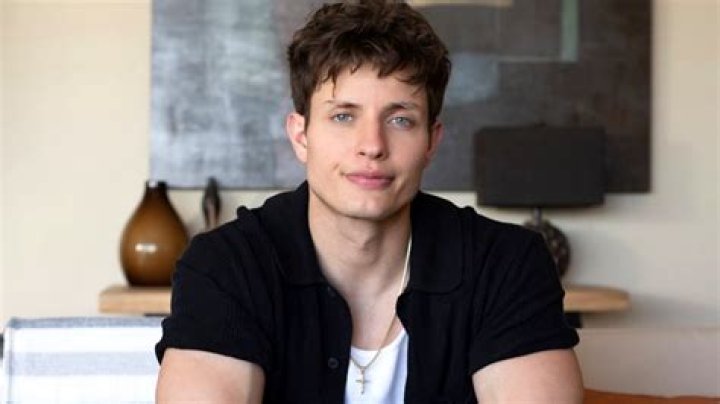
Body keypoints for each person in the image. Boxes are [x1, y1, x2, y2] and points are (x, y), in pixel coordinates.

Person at [155, 0, 583, 402]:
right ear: (301, 136)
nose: (372, 145)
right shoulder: (227, 265)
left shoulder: (505, 265)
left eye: (400, 119)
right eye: (343, 116)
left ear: (431, 141)